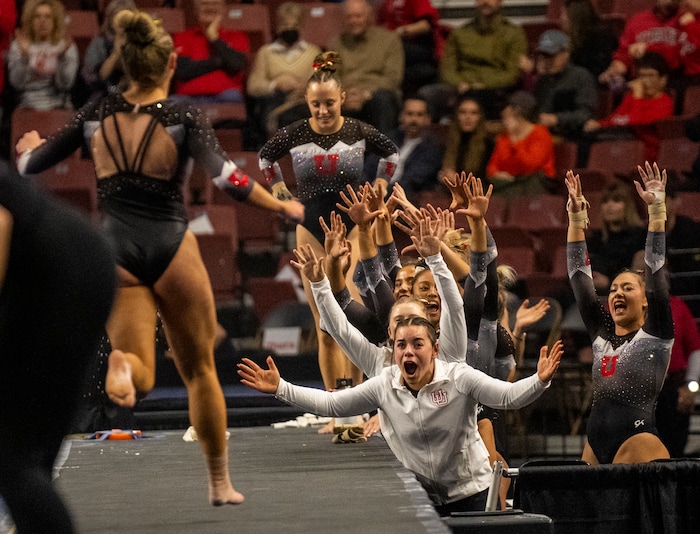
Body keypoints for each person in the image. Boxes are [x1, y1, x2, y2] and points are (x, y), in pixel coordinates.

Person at [16, 9, 304, 506]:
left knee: (139, 373)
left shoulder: (96, 112)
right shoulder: (183, 114)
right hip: (171, 243)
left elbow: (34, 165)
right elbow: (226, 179)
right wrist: (279, 203)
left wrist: (27, 148)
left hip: (115, 251)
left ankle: (122, 367)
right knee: (199, 373)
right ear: (171, 62)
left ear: (125, 63)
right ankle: (219, 483)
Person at [238, 313, 562, 515]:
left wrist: (539, 381)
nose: (408, 351)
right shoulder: (384, 384)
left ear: (435, 349)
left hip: (472, 493)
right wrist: (281, 387)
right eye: (400, 345)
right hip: (422, 498)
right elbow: (333, 404)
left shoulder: (459, 377)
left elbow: (508, 396)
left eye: (417, 344)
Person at [258, 51, 399, 413]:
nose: (323, 111)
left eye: (330, 104)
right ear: (307, 102)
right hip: (311, 228)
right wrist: (278, 190)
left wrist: (381, 186)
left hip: (350, 227)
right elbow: (265, 158)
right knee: (324, 323)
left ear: (342, 100)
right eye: (316, 104)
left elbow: (391, 153)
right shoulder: (295, 132)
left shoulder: (356, 130)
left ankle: (358, 400)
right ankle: (336, 407)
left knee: (349, 315)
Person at [0, 161, 116, 533]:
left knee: (12, 458)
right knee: (26, 458)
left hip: (64, 271)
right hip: (64, 265)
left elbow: (1, 221)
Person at [565, 162, 673, 465]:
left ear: (646, 301)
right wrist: (576, 218)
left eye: (628, 288)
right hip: (595, 443)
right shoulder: (602, 335)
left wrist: (656, 212)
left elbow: (655, 268)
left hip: (637, 442)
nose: (617, 294)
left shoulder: (656, 333)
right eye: (613, 289)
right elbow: (578, 277)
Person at [435, 0, 527, 121]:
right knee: (429, 94)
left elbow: (513, 73)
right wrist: (460, 83)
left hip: (497, 90)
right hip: (462, 88)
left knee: (521, 100)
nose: (485, 2)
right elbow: (447, 69)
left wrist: (484, 85)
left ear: (500, 2)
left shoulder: (514, 33)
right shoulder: (460, 33)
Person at [328, 0, 404, 135]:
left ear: (370, 17)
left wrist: (365, 94)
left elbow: (393, 78)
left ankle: (382, 153)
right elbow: (331, 77)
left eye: (358, 16)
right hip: (346, 98)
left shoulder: (389, 40)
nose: (353, 21)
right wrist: (345, 95)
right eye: (349, 17)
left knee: (383, 100)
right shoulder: (337, 43)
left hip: (376, 96)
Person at [246, 2, 321, 140]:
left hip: (301, 103)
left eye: (294, 25)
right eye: (286, 25)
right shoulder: (266, 52)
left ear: (301, 26)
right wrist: (276, 85)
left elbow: (320, 84)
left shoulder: (313, 52)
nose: (290, 29)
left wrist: (304, 86)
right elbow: (253, 86)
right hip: (274, 101)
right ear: (279, 27)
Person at [583, 52, 674, 163]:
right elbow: (616, 119)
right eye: (642, 76)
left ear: (663, 79)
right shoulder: (631, 97)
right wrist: (599, 124)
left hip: (646, 158)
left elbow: (634, 122)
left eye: (650, 76)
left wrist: (637, 96)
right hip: (623, 151)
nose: (644, 81)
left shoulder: (664, 102)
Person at [363, 96, 443, 202]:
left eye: (419, 115)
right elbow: (369, 166)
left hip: (402, 197)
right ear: (401, 116)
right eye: (409, 114)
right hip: (373, 191)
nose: (414, 119)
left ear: (427, 119)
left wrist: (378, 191)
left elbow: (412, 180)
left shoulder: (431, 148)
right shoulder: (390, 137)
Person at [7, 0, 79, 110]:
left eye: (48, 17)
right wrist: (25, 57)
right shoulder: (19, 45)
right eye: (37, 16)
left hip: (59, 105)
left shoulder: (66, 46)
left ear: (55, 20)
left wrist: (61, 57)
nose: (42, 21)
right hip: (27, 106)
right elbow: (16, 83)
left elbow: (66, 84)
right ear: (30, 20)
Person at [172, 0, 248, 103]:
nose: (210, 8)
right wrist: (218, 62)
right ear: (196, 9)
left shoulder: (237, 37)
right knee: (174, 102)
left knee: (233, 97)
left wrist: (214, 39)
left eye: (215, 4)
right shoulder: (182, 37)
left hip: (225, 96)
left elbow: (236, 64)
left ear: (223, 9)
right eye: (204, 4)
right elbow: (183, 71)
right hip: (188, 97)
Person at [532, 29, 597, 144]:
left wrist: (556, 119)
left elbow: (585, 114)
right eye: (543, 57)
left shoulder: (581, 76)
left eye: (551, 56)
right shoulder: (543, 80)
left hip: (574, 137)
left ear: (566, 54)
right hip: (545, 137)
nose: (547, 61)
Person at [486, 90, 556, 197]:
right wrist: (498, 174)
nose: (502, 111)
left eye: (506, 107)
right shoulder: (504, 137)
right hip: (509, 184)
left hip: (535, 184)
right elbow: (492, 167)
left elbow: (530, 166)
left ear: (516, 111)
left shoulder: (540, 133)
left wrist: (514, 138)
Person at [598, 0, 680, 90]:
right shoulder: (638, 19)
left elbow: (681, 56)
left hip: (671, 81)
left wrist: (648, 48)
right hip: (638, 81)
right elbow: (624, 51)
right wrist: (617, 66)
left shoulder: (685, 20)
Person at [586, 181, 647, 295]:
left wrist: (609, 282)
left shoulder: (641, 237)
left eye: (616, 200)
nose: (609, 206)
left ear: (628, 206)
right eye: (605, 201)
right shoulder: (595, 239)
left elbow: (639, 275)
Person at [375, 0, 441, 95]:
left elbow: (425, 25)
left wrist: (400, 32)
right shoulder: (387, 3)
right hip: (395, 45)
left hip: (416, 47)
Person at [80, 0, 136, 104]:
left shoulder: (139, 45)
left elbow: (140, 80)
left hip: (134, 101)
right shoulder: (97, 44)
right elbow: (92, 81)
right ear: (109, 19)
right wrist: (115, 54)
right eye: (116, 16)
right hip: (101, 101)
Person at [439, 96, 495, 184]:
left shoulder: (488, 144)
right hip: (450, 192)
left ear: (480, 117)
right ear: (457, 116)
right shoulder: (449, 142)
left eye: (473, 113)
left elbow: (484, 180)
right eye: (463, 112)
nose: (468, 117)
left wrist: (456, 181)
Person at [560, 0, 619, 79]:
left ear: (575, 17)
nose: (561, 18)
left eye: (564, 14)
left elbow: (596, 71)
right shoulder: (570, 39)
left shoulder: (600, 38)